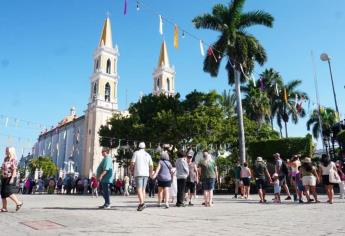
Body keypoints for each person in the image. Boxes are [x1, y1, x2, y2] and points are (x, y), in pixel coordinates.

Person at [131, 142, 153, 211]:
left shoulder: (136, 153)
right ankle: (142, 202)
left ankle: (142, 203)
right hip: (146, 174)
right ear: (145, 147)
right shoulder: (148, 154)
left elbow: (132, 163)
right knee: (143, 189)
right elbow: (151, 165)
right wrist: (150, 173)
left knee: (139, 189)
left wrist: (131, 170)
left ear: (138, 147)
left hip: (138, 173)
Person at [1, 147, 23, 212]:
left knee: (8, 191)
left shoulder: (13, 159)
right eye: (6, 150)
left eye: (7, 150)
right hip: (4, 177)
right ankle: (4, 208)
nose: (6, 152)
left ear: (10, 151)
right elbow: (3, 168)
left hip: (10, 177)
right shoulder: (6, 158)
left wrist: (12, 178)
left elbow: (14, 170)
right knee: (3, 193)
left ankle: (18, 203)